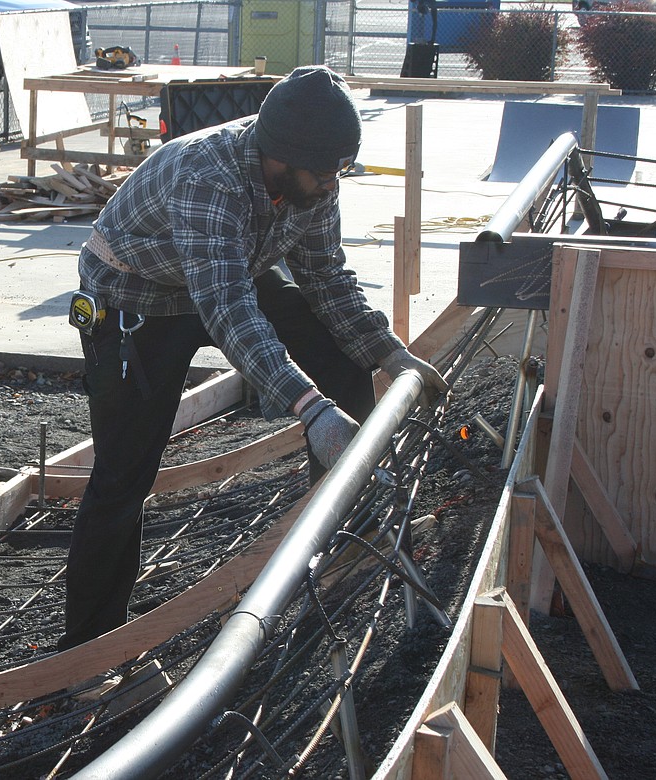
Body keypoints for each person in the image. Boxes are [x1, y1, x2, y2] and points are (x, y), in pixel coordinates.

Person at [59, 65, 448, 651]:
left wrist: (390, 355)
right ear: (282, 159)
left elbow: (327, 279)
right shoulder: (208, 177)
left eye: (337, 171)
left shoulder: (312, 177)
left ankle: (338, 537)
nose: (331, 185)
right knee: (124, 471)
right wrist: (307, 407)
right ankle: (88, 647)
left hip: (229, 272)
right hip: (134, 297)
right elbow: (229, 311)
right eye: (323, 174)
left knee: (342, 361)